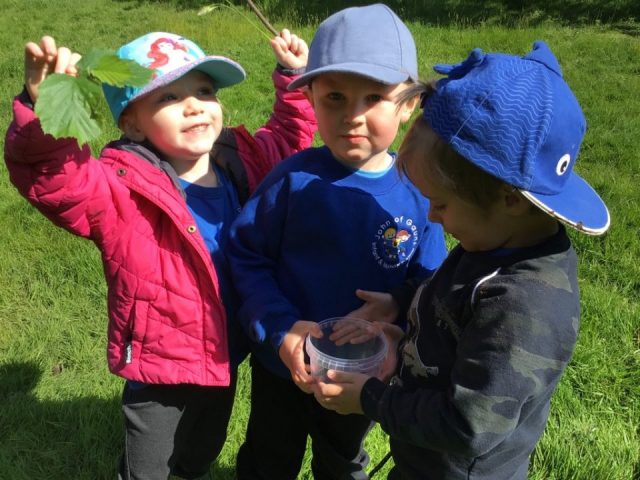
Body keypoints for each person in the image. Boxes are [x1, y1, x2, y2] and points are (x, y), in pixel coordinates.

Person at [4, 29, 316, 480]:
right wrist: (42, 109)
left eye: (204, 91)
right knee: (149, 469)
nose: (195, 106)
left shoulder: (239, 160)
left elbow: (286, 138)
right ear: (133, 124)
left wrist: (292, 75)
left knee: (200, 452)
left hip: (224, 353)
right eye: (169, 97)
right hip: (160, 366)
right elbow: (56, 178)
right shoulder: (120, 188)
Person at [312, 41, 611, 479]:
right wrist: (400, 311)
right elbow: (450, 300)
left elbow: (469, 425)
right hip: (421, 459)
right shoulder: (494, 241)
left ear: (510, 199)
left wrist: (371, 399)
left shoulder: (526, 307)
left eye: (440, 204)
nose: (433, 216)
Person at [227, 4, 448, 480]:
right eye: (334, 97)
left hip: (362, 370)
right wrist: (280, 329)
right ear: (308, 96)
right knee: (269, 457)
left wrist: (397, 303)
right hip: (283, 365)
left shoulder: (421, 192)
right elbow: (245, 254)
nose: (352, 116)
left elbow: (432, 281)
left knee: (342, 459)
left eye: (374, 97)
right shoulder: (292, 180)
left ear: (408, 104)